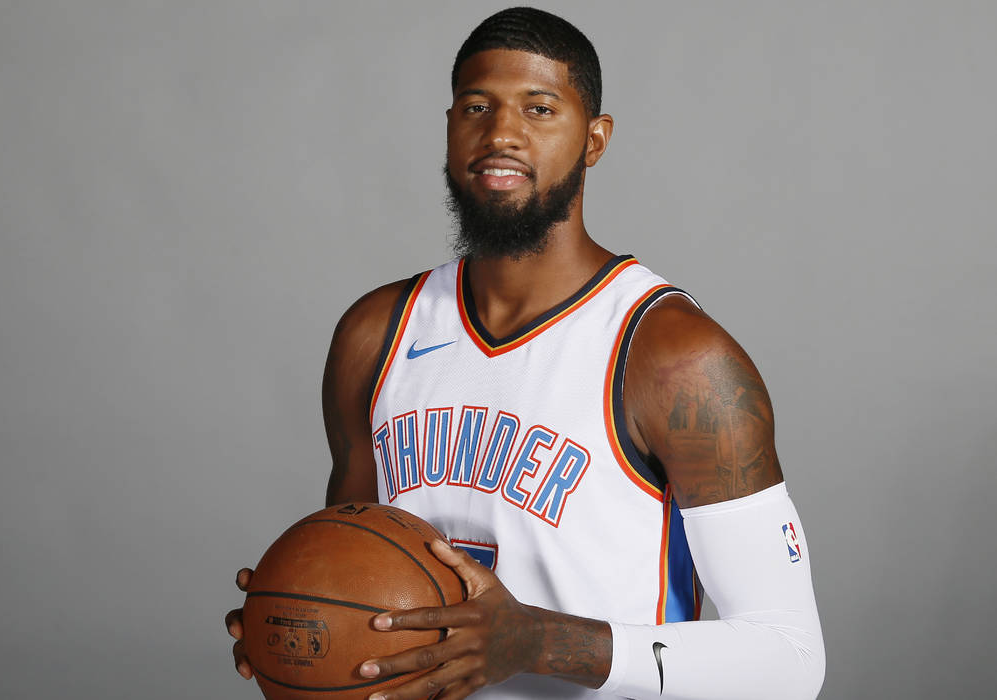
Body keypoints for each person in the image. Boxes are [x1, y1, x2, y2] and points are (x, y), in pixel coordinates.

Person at [226, 7, 825, 699]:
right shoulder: (375, 334)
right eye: (476, 107)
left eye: (539, 109)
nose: (501, 134)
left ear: (595, 139)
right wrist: (301, 622)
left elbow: (790, 661)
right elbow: (353, 571)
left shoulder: (675, 358)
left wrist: (539, 642)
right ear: (450, 126)